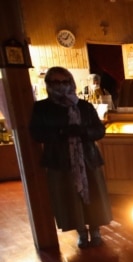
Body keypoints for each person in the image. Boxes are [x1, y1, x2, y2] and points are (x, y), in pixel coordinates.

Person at [29, 66, 112, 248]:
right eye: (55, 82)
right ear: (48, 84)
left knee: (94, 195)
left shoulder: (84, 106)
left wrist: (83, 132)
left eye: (64, 82)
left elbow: (99, 130)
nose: (61, 86)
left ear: (71, 83)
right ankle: (81, 232)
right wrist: (60, 133)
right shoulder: (42, 108)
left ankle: (96, 229)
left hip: (87, 159)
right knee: (69, 197)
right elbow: (37, 133)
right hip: (60, 162)